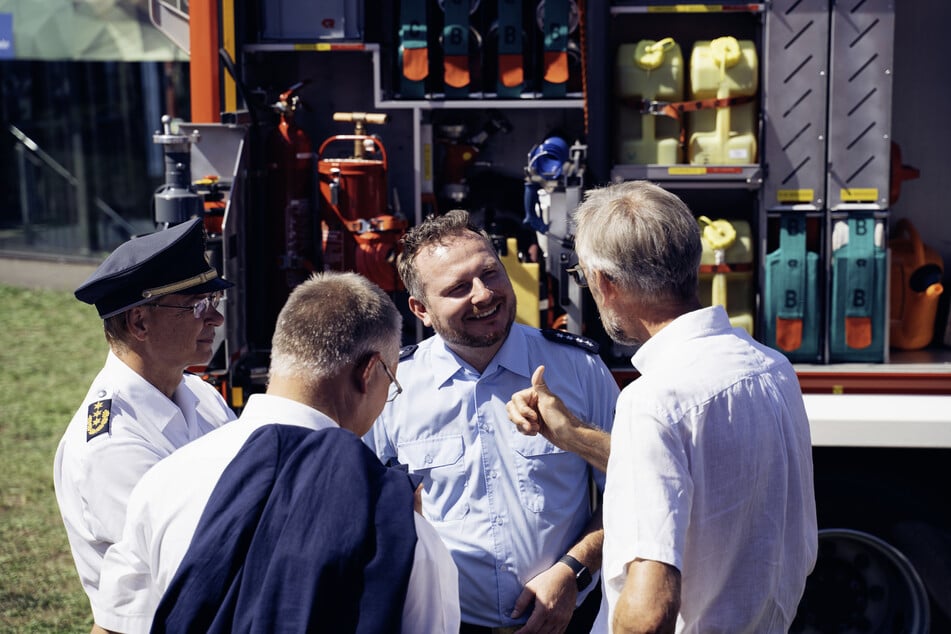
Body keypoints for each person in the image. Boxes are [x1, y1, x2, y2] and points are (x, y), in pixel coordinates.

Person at [507, 180, 818, 633]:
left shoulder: (653, 401)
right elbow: (697, 476)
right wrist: (573, 436)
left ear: (605, 282)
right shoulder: (772, 367)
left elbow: (648, 616)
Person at [94, 271, 460, 633]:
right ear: (369, 372)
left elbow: (116, 628)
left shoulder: (163, 482)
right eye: (391, 383)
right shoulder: (402, 532)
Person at [365, 209, 620, 633]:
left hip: (570, 617)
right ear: (420, 309)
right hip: (446, 624)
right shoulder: (392, 387)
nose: (484, 295)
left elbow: (632, 489)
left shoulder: (578, 369)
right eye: (459, 288)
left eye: (490, 274)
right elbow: (367, 512)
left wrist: (574, 571)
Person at [53, 217, 237, 616]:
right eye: (197, 306)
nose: (216, 320)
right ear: (139, 322)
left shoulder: (200, 395)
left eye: (214, 302)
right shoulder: (111, 445)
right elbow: (196, 563)